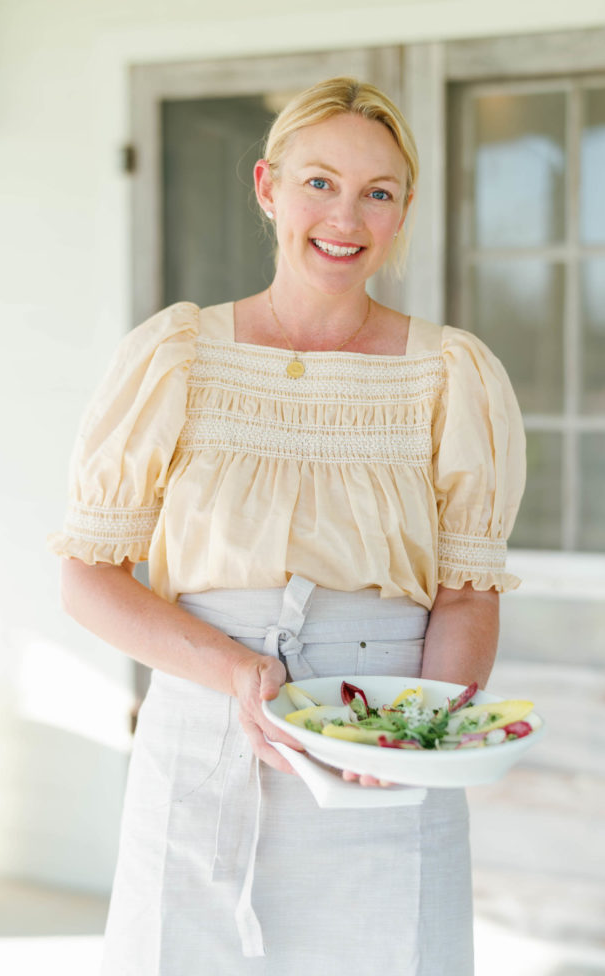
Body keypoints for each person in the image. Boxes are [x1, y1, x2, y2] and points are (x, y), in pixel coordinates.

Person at [49, 76, 526, 975]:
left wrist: (416, 735)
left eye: (377, 192)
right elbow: (89, 576)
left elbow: (467, 595)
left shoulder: (452, 375)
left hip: (382, 742)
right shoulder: (176, 357)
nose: (345, 216)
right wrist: (238, 672)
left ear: (403, 210)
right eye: (319, 182)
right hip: (203, 734)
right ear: (268, 187)